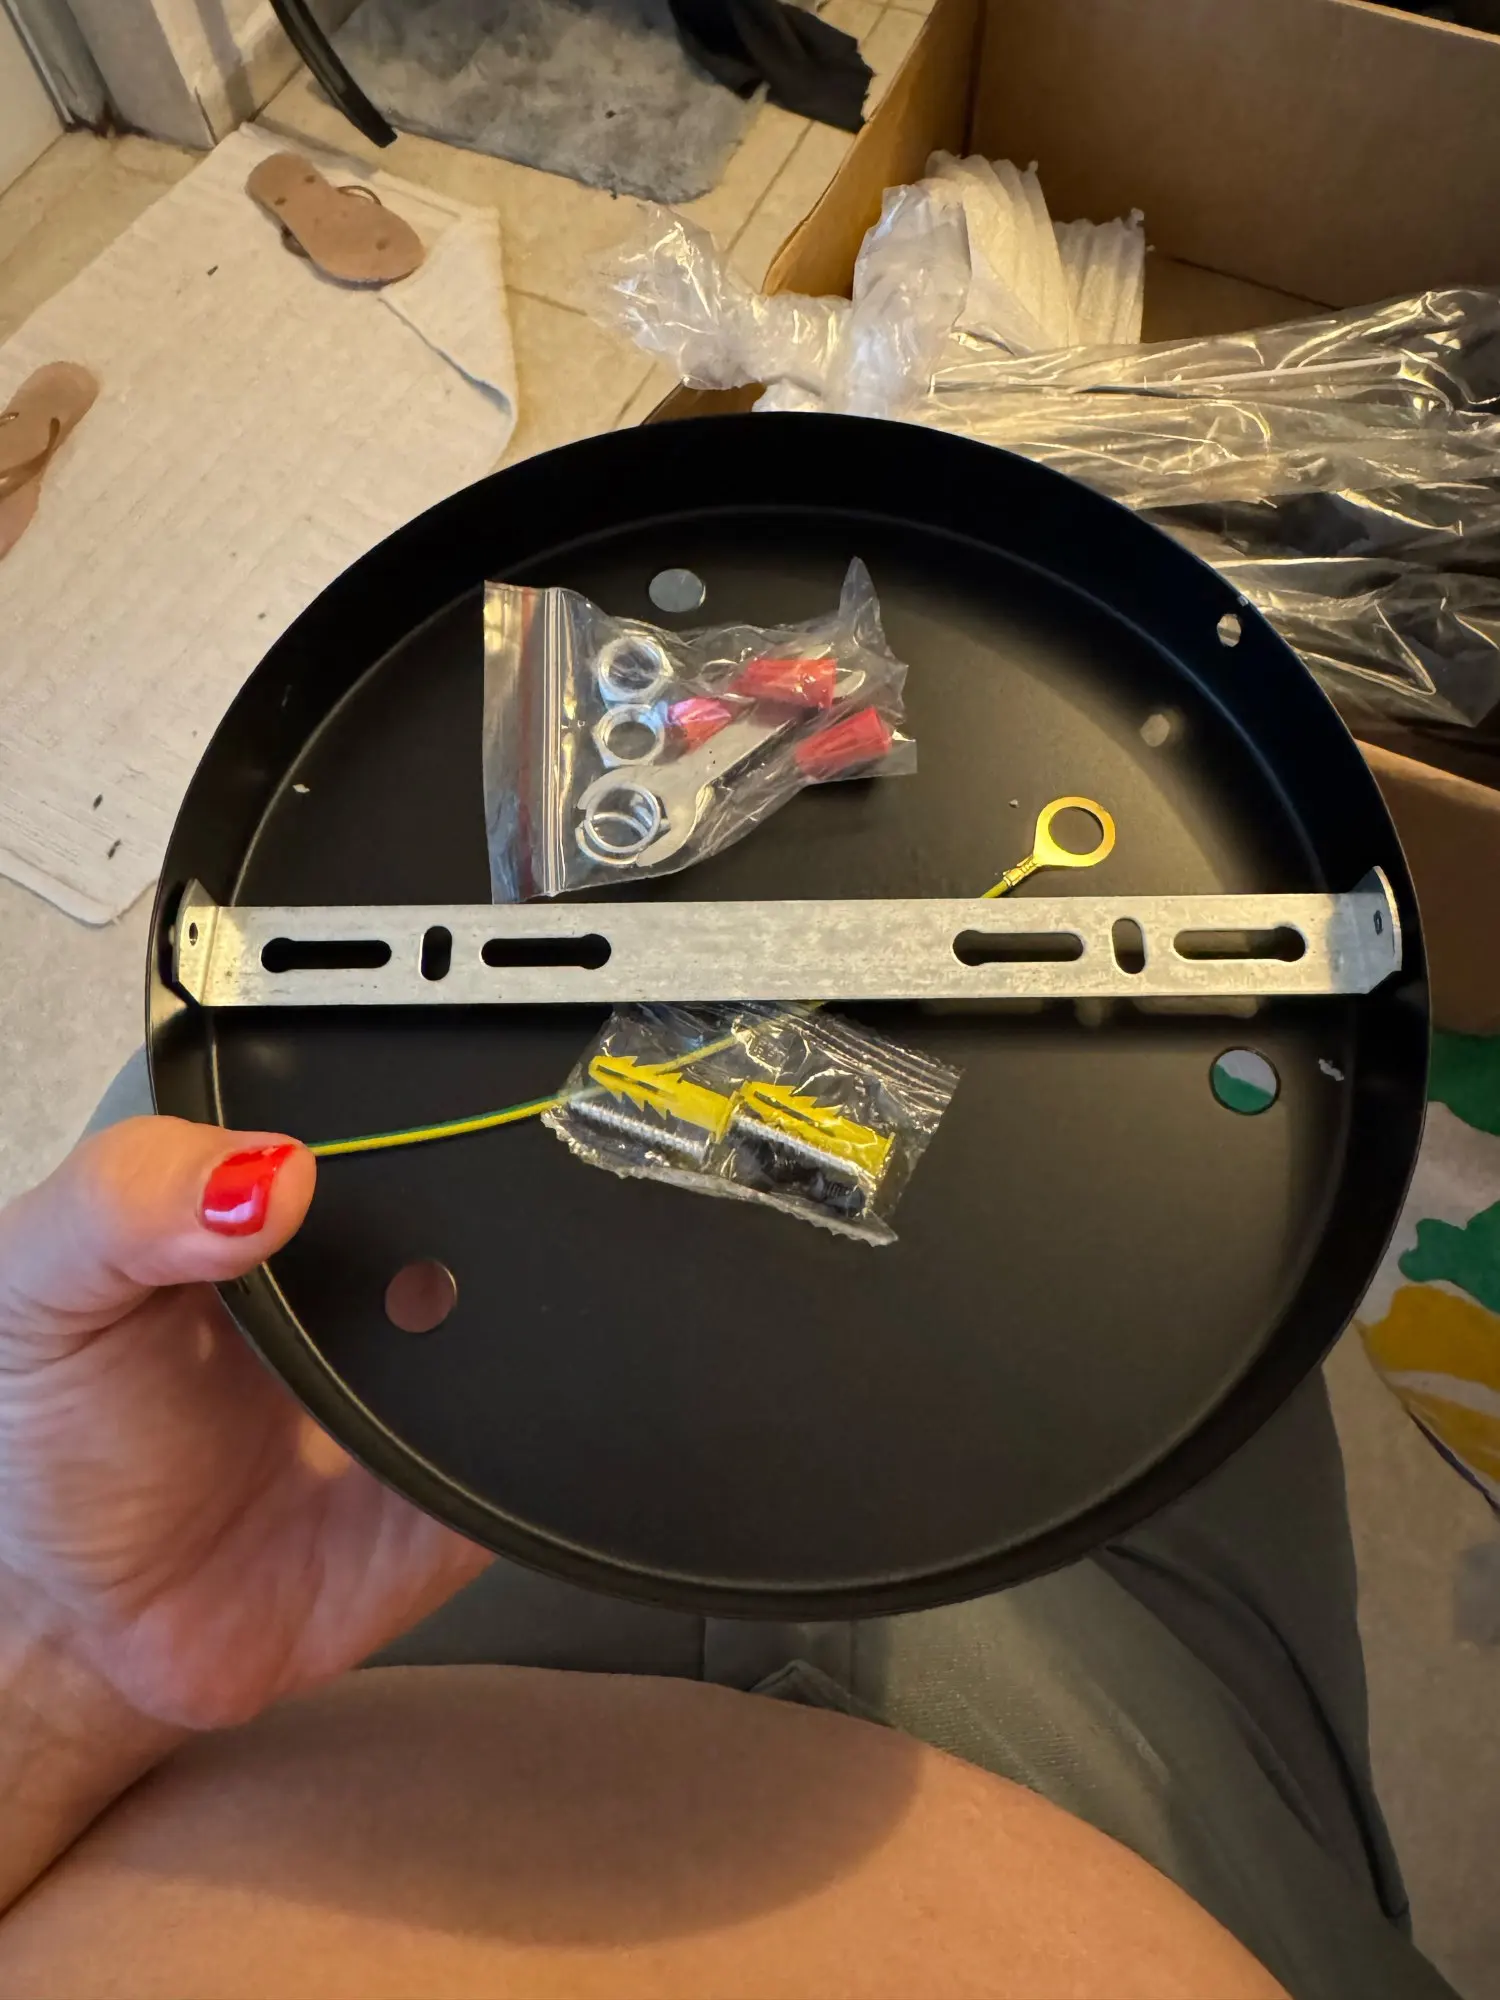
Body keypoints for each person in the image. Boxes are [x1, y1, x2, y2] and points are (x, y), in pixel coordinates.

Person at [0, 1106, 1460, 1999]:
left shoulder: (145, 1604)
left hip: (305, 1620)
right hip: (1146, 1754)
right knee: (1182, 1244)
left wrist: (63, 1661)